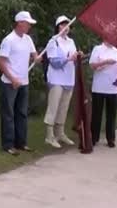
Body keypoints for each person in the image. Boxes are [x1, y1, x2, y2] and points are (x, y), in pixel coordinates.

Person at [0, 11, 41, 156]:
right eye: (27, 23)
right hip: (10, 83)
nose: (29, 26)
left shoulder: (28, 39)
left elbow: (34, 55)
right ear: (20, 23)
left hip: (24, 82)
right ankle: (8, 145)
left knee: (21, 113)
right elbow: (1, 62)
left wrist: (36, 58)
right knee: (9, 114)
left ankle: (21, 143)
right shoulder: (8, 40)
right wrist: (12, 78)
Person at [43, 16, 79, 148]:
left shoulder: (71, 42)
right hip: (56, 79)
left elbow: (74, 59)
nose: (65, 28)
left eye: (67, 25)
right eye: (62, 25)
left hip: (69, 79)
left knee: (63, 108)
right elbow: (54, 62)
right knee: (53, 107)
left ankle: (60, 133)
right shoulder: (53, 42)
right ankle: (49, 135)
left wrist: (77, 57)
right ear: (57, 27)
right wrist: (68, 58)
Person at [89, 40, 117, 148]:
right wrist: (105, 62)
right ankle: (94, 137)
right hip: (99, 86)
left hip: (113, 87)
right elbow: (92, 65)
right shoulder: (98, 49)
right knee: (96, 113)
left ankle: (111, 138)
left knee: (111, 114)